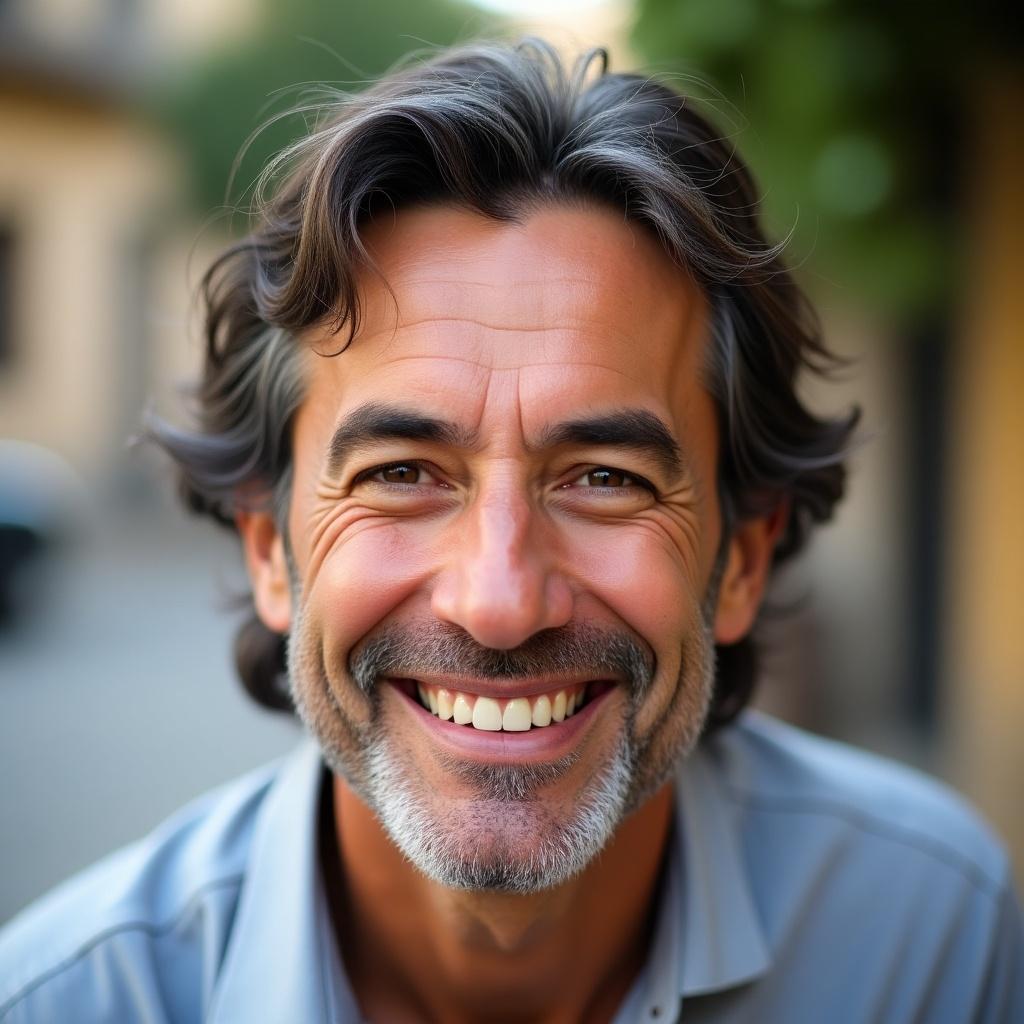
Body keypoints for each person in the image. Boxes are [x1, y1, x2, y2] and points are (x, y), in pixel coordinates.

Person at [1, 38, 1021, 1024]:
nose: (497, 601)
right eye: (401, 474)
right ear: (272, 547)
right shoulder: (67, 1002)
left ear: (740, 557)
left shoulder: (931, 938)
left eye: (604, 478)